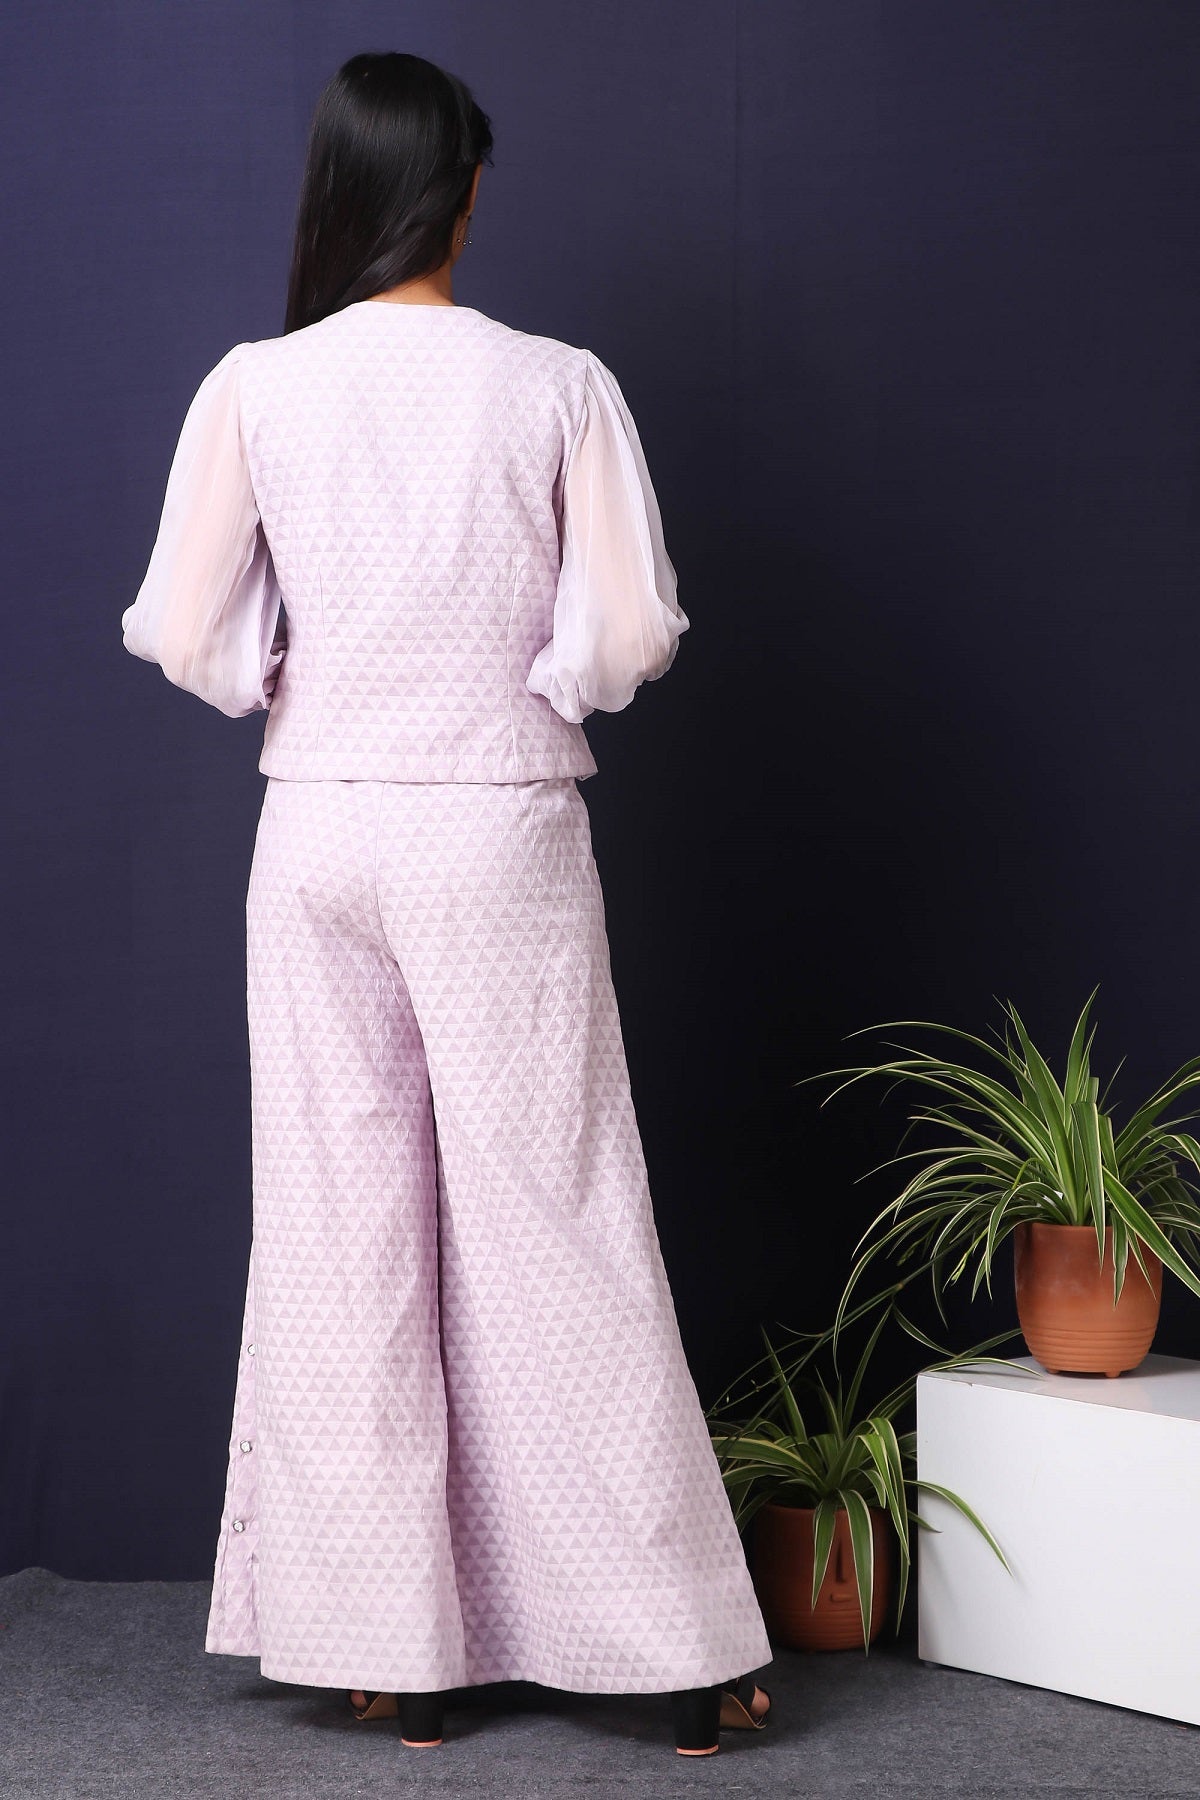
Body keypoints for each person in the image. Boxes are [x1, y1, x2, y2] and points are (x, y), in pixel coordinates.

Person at [120, 49, 773, 1758]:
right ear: (465, 196)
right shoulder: (557, 385)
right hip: (494, 822)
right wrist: (534, 685)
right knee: (558, 1211)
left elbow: (182, 627)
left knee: (338, 1227)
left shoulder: (256, 386)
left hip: (320, 828)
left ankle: (387, 1651)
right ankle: (668, 1658)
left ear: (337, 191)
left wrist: (293, 679)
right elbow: (627, 633)